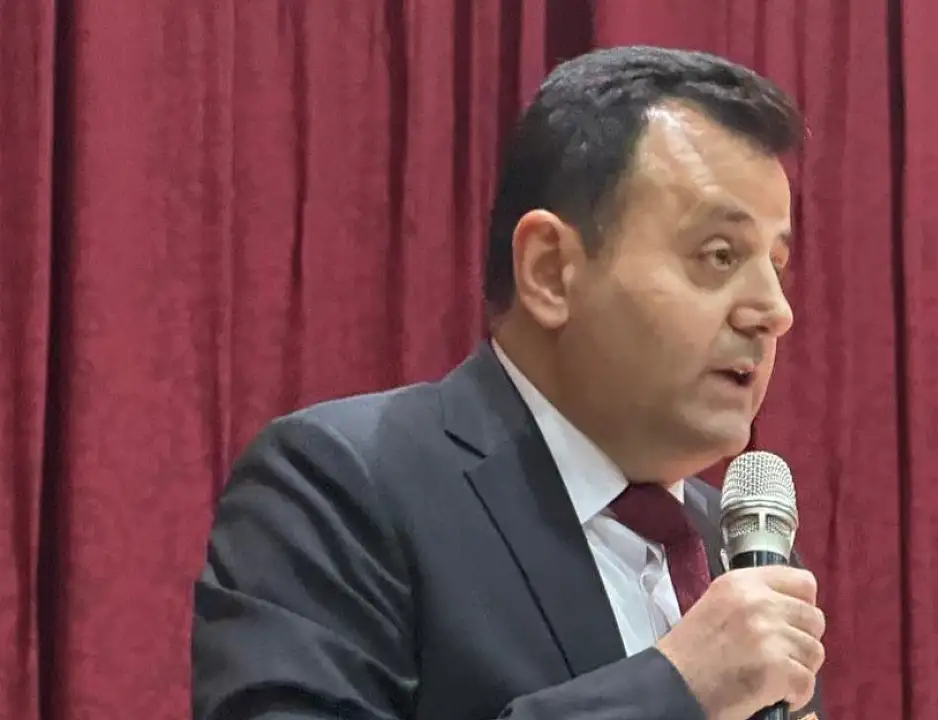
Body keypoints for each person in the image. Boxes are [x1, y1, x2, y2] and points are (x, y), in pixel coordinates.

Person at [191, 45, 826, 720]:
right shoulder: (340, 486)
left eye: (776, 266)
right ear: (550, 271)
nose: (773, 311)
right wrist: (675, 689)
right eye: (719, 255)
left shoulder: (738, 551)